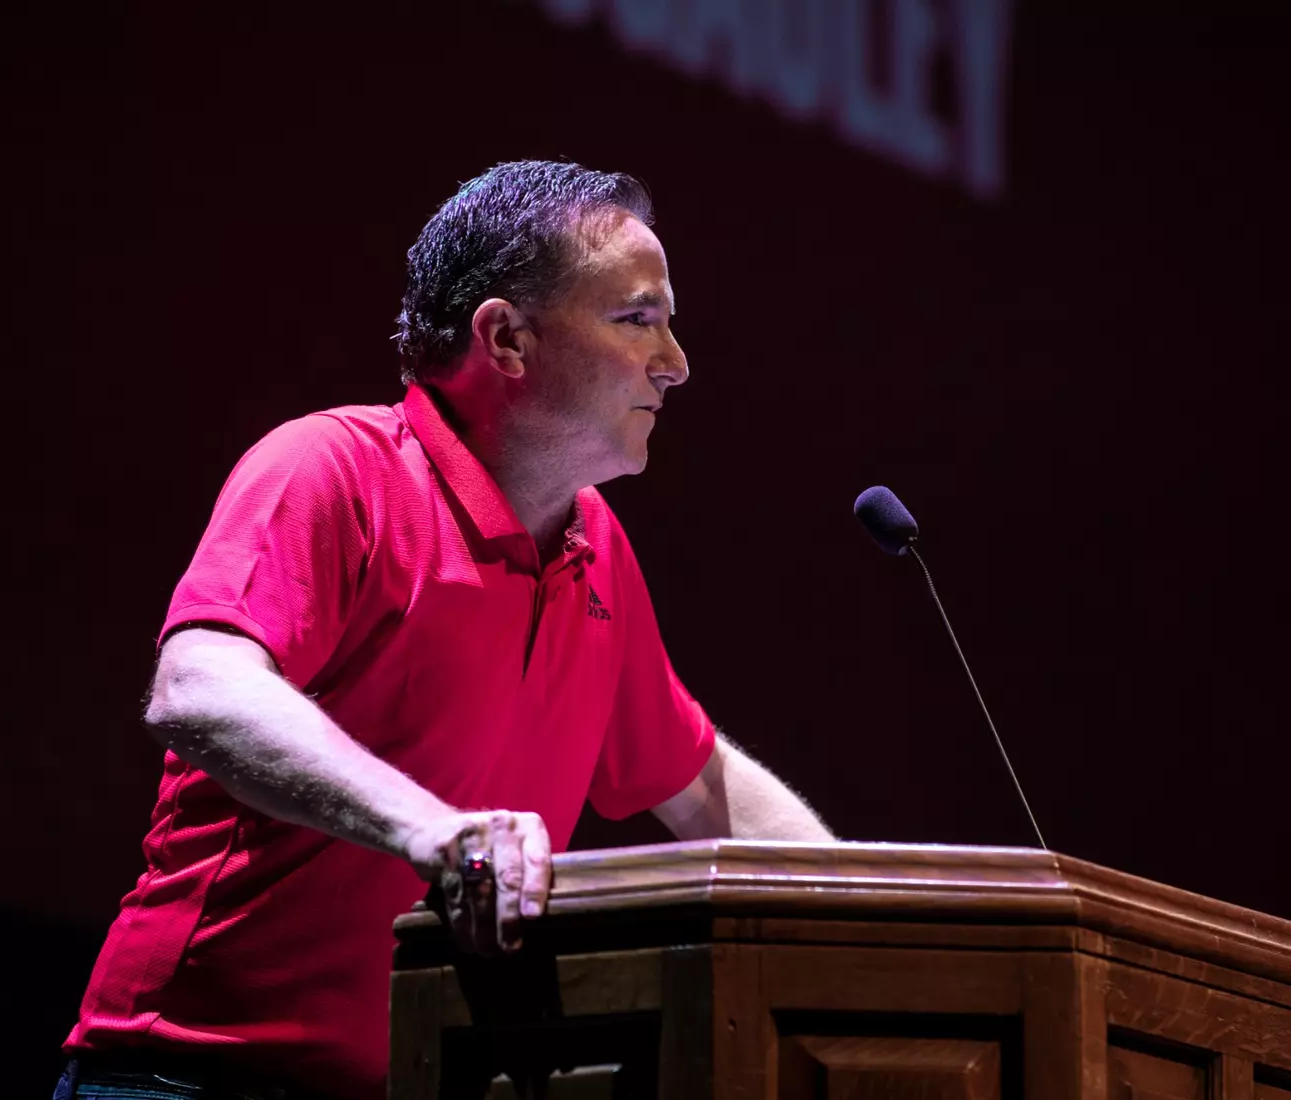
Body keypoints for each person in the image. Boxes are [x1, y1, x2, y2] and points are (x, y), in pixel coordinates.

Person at [55, 161, 832, 1100]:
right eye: (638, 319)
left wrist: (872, 934)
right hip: (193, 1073)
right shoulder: (332, 469)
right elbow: (199, 690)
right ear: (506, 339)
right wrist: (435, 832)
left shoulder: (594, 546)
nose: (676, 361)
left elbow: (701, 787)